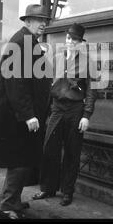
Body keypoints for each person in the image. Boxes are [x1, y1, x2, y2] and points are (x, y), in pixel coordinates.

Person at [0, 4, 51, 220]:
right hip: (18, 118)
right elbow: (16, 83)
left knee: (21, 161)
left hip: (20, 116)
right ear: (27, 21)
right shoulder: (21, 42)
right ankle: (7, 208)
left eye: (45, 20)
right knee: (19, 162)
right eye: (38, 19)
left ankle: (13, 201)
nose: (43, 24)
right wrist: (28, 114)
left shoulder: (28, 41)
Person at [32, 23, 97, 206]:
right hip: (57, 108)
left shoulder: (88, 61)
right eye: (68, 38)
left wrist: (86, 115)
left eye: (75, 39)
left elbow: (93, 90)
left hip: (75, 110)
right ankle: (48, 188)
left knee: (72, 152)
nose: (70, 42)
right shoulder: (56, 58)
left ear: (80, 42)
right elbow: (45, 83)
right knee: (49, 148)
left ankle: (67, 191)